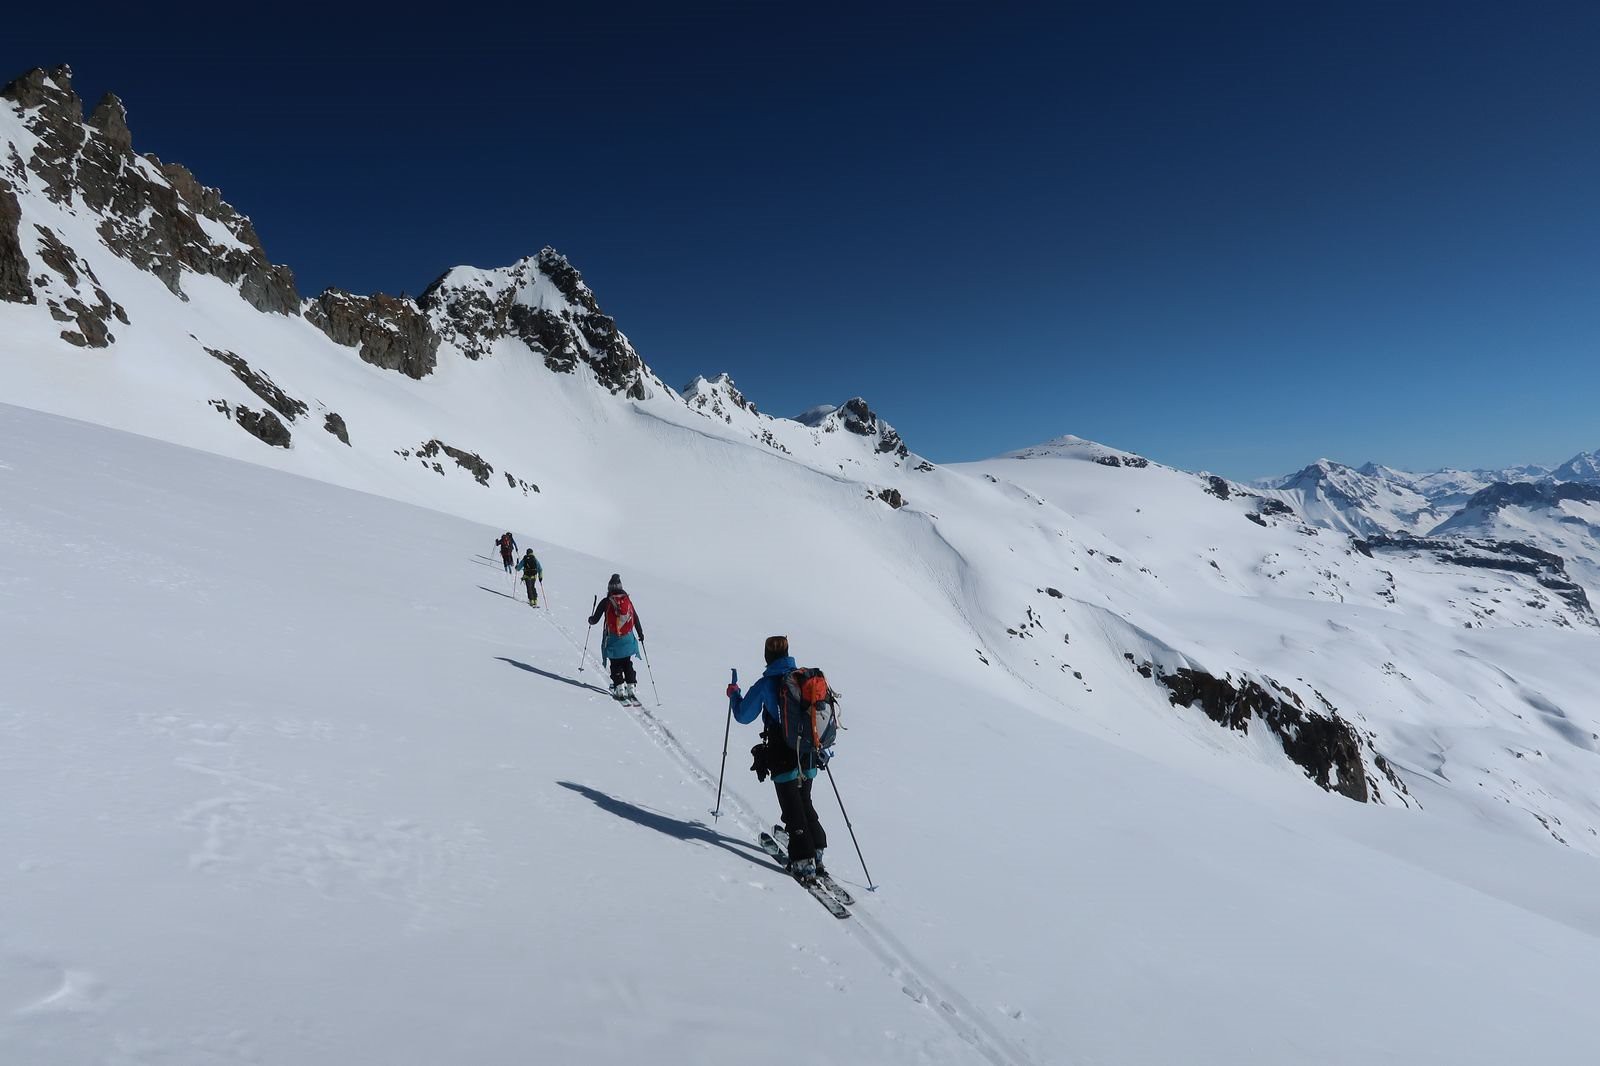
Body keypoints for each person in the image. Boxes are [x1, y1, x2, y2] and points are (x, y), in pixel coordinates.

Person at [726, 635, 829, 880]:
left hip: (783, 753)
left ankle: (803, 860)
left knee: (792, 806)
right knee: (804, 800)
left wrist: (734, 694)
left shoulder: (767, 684)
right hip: (809, 753)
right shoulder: (803, 679)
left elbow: (743, 715)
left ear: (767, 656)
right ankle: (816, 848)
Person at [588, 574, 645, 701]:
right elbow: (635, 618)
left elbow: (595, 620)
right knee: (627, 662)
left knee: (615, 663)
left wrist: (590, 620)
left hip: (613, 638)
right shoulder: (627, 601)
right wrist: (640, 634)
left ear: (609, 588)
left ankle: (619, 688)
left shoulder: (606, 601)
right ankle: (631, 686)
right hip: (628, 638)